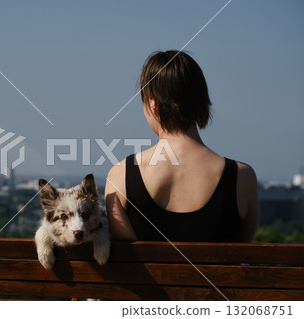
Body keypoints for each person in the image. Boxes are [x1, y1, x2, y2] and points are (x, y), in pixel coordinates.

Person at [105, 50, 258, 242]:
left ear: (153, 104)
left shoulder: (120, 176)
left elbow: (131, 264)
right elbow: (241, 253)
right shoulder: (243, 178)